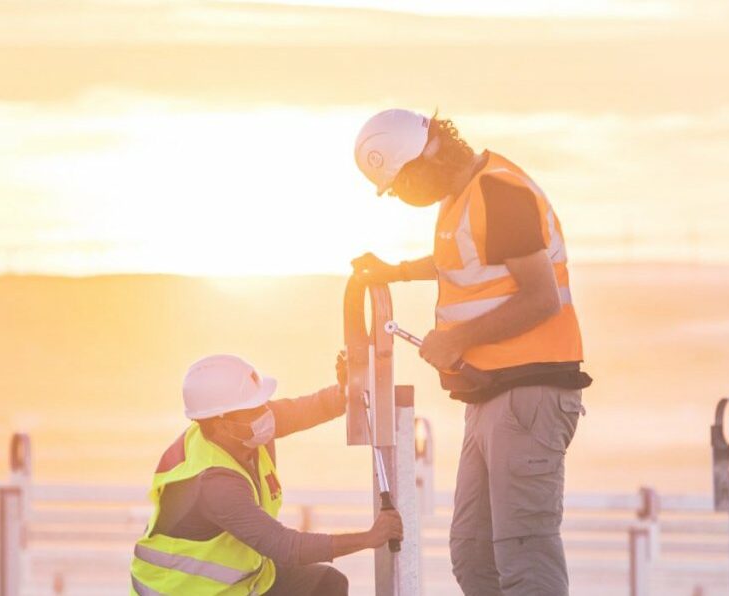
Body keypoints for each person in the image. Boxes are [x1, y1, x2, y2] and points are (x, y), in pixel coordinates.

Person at [350, 108, 593, 595]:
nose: (399, 196)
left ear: (424, 159)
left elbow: (541, 298)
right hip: (491, 395)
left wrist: (458, 339)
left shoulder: (499, 192)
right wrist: (394, 272)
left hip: (529, 395)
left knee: (525, 558)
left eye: (399, 184)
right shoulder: (462, 196)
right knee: (473, 555)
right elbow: (460, 262)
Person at [129, 354, 404, 595]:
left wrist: (345, 391)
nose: (266, 413)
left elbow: (306, 409)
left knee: (325, 585)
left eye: (262, 402)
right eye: (254, 409)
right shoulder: (214, 484)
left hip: (237, 584)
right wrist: (369, 538)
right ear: (220, 424)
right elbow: (286, 547)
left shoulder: (244, 431)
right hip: (182, 592)